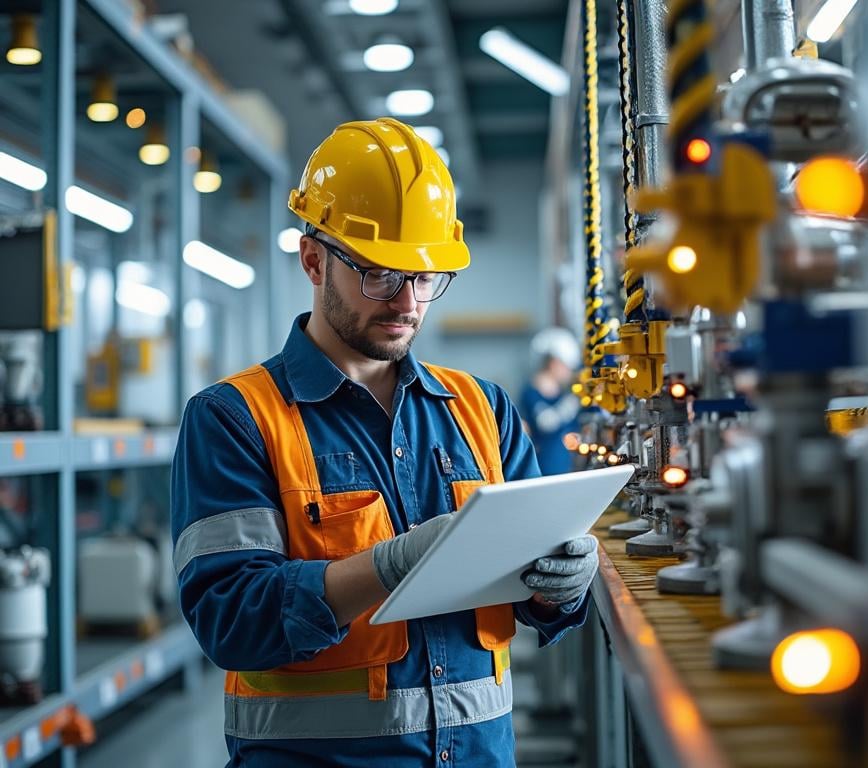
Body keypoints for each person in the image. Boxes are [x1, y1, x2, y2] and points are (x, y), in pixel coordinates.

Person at [171, 118, 598, 767]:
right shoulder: (234, 419)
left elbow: (534, 600)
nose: (407, 301)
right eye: (379, 274)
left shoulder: (484, 408)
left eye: (426, 277)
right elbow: (232, 620)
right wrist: (386, 568)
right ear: (313, 259)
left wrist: (560, 586)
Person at [520, 327, 581, 475]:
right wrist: (575, 401)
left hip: (566, 469)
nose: (569, 372)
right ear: (554, 363)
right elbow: (546, 422)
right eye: (566, 367)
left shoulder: (562, 394)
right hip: (542, 470)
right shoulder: (531, 393)